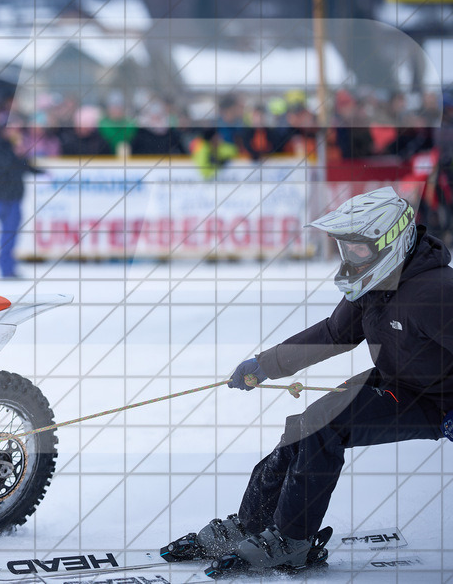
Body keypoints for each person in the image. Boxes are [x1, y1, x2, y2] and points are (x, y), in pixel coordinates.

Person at [170, 187, 452, 571]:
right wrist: (265, 364)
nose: (350, 258)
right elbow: (335, 334)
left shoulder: (435, 293)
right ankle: (253, 525)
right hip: (396, 381)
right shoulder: (375, 283)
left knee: (327, 429)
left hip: (438, 403)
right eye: (345, 249)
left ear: (392, 242)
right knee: (305, 426)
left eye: (359, 250)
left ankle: (291, 540)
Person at [0, 115, 43, 278]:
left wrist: (41, 171)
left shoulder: (12, 146)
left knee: (11, 232)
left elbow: (24, 166)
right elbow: (8, 165)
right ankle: (6, 268)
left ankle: (8, 266)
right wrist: (19, 153)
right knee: (8, 232)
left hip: (15, 196)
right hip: (4, 197)